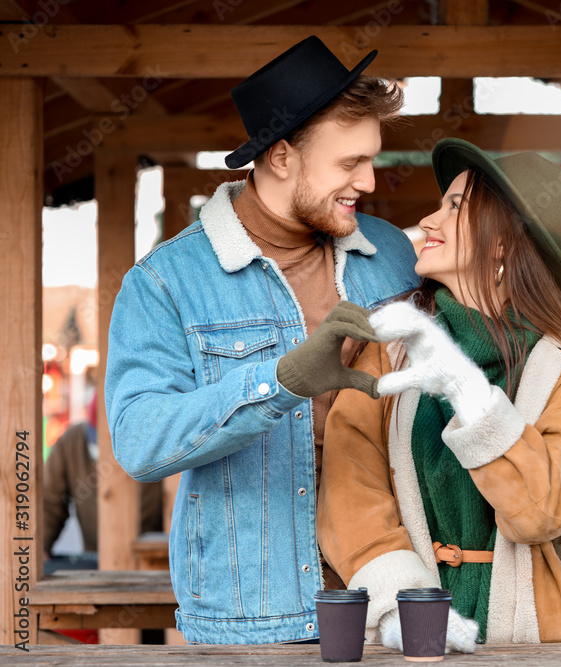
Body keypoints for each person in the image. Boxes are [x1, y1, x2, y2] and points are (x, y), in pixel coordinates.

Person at [104, 37, 422, 644]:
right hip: (251, 618)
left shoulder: (395, 257)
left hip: (400, 603)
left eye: (371, 159)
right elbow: (140, 441)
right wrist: (277, 384)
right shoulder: (164, 283)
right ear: (281, 157)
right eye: (349, 163)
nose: (370, 181)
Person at [317, 138, 561, 650]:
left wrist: (466, 389)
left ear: (503, 242)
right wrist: (400, 607)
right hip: (413, 641)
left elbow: (545, 509)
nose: (431, 221)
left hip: (544, 638)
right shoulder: (391, 349)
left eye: (455, 207)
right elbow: (350, 491)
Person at [44, 394, 162, 559]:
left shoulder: (155, 443)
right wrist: (40, 546)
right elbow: (49, 504)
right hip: (96, 560)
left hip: (154, 561)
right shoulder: (70, 443)